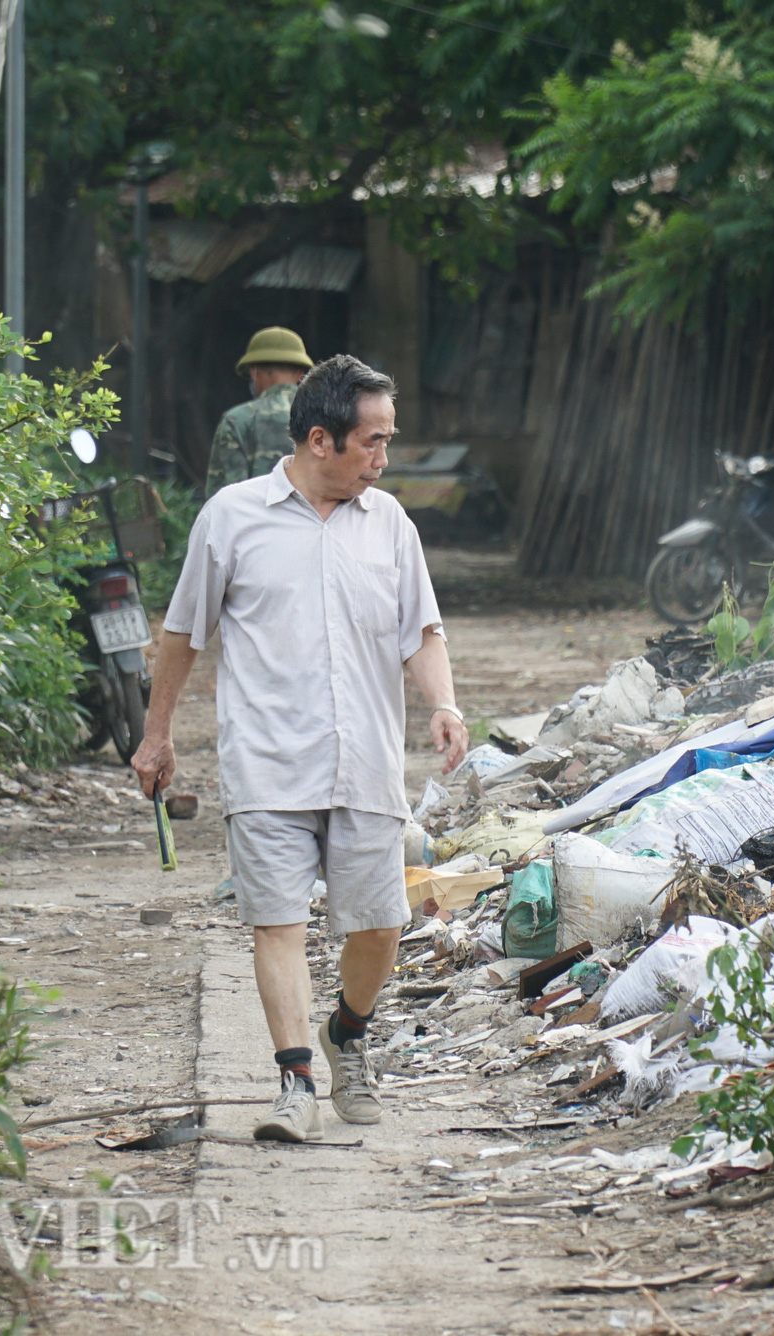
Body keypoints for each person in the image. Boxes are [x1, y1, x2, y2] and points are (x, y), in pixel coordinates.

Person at [132, 354, 467, 1142]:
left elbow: (421, 629)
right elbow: (183, 633)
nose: (384, 459)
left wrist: (443, 703)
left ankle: (346, 1033)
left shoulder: (390, 524)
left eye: (388, 440)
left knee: (380, 926)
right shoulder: (232, 518)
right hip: (267, 763)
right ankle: (294, 1084)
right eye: (373, 442)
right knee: (275, 923)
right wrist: (158, 734)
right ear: (322, 439)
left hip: (365, 762)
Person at [203, 326, 315, 495]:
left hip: (255, 521)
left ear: (254, 372)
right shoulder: (329, 417)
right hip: (320, 520)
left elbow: (225, 497)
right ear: (301, 373)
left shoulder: (237, 420)